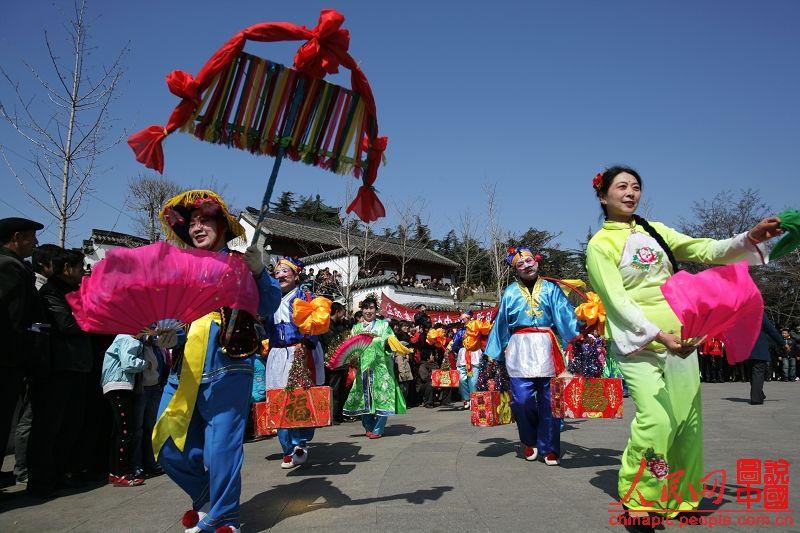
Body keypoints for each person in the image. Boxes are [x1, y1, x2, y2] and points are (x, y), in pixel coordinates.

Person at [585, 166, 782, 519]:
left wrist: (748, 238)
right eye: (622, 187)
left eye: (636, 187)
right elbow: (617, 302)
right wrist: (659, 335)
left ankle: (681, 497)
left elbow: (705, 249)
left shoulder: (655, 230)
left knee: (687, 422)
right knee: (656, 419)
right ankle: (640, 497)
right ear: (603, 196)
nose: (630, 193)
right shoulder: (600, 245)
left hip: (682, 339)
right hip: (639, 344)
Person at [152, 190, 281, 533]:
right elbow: (173, 318)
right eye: (191, 223)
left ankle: (224, 516)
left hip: (229, 366)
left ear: (222, 225)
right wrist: (168, 335)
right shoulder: (180, 270)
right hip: (184, 370)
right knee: (166, 443)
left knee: (221, 449)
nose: (196, 227)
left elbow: (267, 305)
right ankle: (207, 496)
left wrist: (259, 272)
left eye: (204, 219)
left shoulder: (241, 264)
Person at [484, 247, 580, 466]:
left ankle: (550, 447)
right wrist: (494, 353)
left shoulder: (551, 288)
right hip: (519, 347)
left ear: (536, 262)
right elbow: (501, 323)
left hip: (547, 346)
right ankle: (529, 439)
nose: (526, 266)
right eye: (521, 264)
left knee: (549, 400)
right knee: (522, 400)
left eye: (529, 261)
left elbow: (565, 314)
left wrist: (578, 335)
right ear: (515, 269)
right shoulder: (510, 292)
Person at [27, 248, 93, 497]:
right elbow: (66, 324)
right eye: (79, 267)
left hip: (77, 366)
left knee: (71, 424)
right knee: (50, 425)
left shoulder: (74, 291)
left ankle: (62, 473)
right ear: (66, 268)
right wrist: (93, 317)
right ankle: (41, 479)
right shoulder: (51, 293)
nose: (83, 272)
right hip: (59, 368)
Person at [263, 256, 327, 469]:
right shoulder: (271, 298)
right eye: (277, 272)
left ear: (296, 275)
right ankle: (287, 449)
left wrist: (306, 344)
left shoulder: (306, 297)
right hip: (276, 353)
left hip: (299, 351)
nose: (280, 275)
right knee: (278, 398)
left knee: (299, 397)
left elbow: (316, 325)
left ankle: (300, 442)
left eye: (285, 271)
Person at [0, 217, 45, 493]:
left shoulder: (16, 266)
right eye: (31, 237)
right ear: (17, 238)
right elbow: (12, 320)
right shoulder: (8, 267)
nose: (35, 242)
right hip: (7, 362)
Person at [343, 295, 406, 438]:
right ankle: (369, 427)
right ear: (362, 310)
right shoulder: (356, 328)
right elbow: (351, 347)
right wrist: (352, 358)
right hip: (363, 368)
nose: (368, 311)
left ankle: (378, 429)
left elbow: (390, 342)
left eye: (371, 308)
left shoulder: (384, 326)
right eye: (366, 308)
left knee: (383, 396)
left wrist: (385, 341)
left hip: (382, 368)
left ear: (376, 310)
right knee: (364, 398)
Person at [100, 334, 150, 487]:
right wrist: (145, 363)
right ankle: (122, 473)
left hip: (115, 385)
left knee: (118, 432)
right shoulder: (128, 338)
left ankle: (115, 472)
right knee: (125, 432)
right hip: (120, 385)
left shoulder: (122, 337)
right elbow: (128, 363)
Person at [746, 313, 783, 405]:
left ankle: (759, 394)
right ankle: (756, 398)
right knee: (757, 373)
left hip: (746, 350)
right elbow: (771, 330)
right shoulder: (759, 314)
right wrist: (782, 343)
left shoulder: (742, 315)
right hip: (758, 349)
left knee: (752, 374)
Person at [322, 301, 350, 424]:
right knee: (334, 390)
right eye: (342, 311)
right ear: (337, 312)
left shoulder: (340, 325)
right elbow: (331, 343)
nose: (344, 315)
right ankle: (332, 416)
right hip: (333, 364)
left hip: (342, 363)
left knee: (342, 390)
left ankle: (339, 415)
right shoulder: (327, 326)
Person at [451, 311, 482, 409]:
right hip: (463, 355)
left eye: (463, 319)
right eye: (461, 320)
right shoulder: (460, 331)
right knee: (461, 379)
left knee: (473, 381)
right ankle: (466, 398)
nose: (461, 322)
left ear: (469, 318)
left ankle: (473, 399)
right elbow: (454, 344)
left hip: (474, 354)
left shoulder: (476, 328)